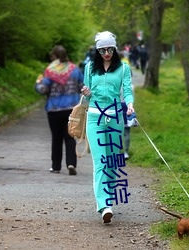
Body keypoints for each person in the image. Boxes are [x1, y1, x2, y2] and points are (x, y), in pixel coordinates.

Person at [81, 31, 134, 223]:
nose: (106, 53)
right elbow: (87, 97)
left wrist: (129, 104)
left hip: (115, 118)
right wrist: (86, 92)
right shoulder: (89, 68)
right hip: (94, 117)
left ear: (115, 48)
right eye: (102, 50)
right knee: (100, 162)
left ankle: (109, 198)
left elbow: (127, 90)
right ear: (97, 50)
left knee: (112, 162)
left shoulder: (123, 68)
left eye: (110, 49)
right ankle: (104, 205)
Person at [35, 45, 84, 175]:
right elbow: (82, 87)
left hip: (54, 109)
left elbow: (43, 90)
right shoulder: (75, 70)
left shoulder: (50, 71)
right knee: (70, 137)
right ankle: (71, 163)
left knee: (56, 138)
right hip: (71, 109)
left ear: (54, 57)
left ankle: (56, 166)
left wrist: (38, 83)